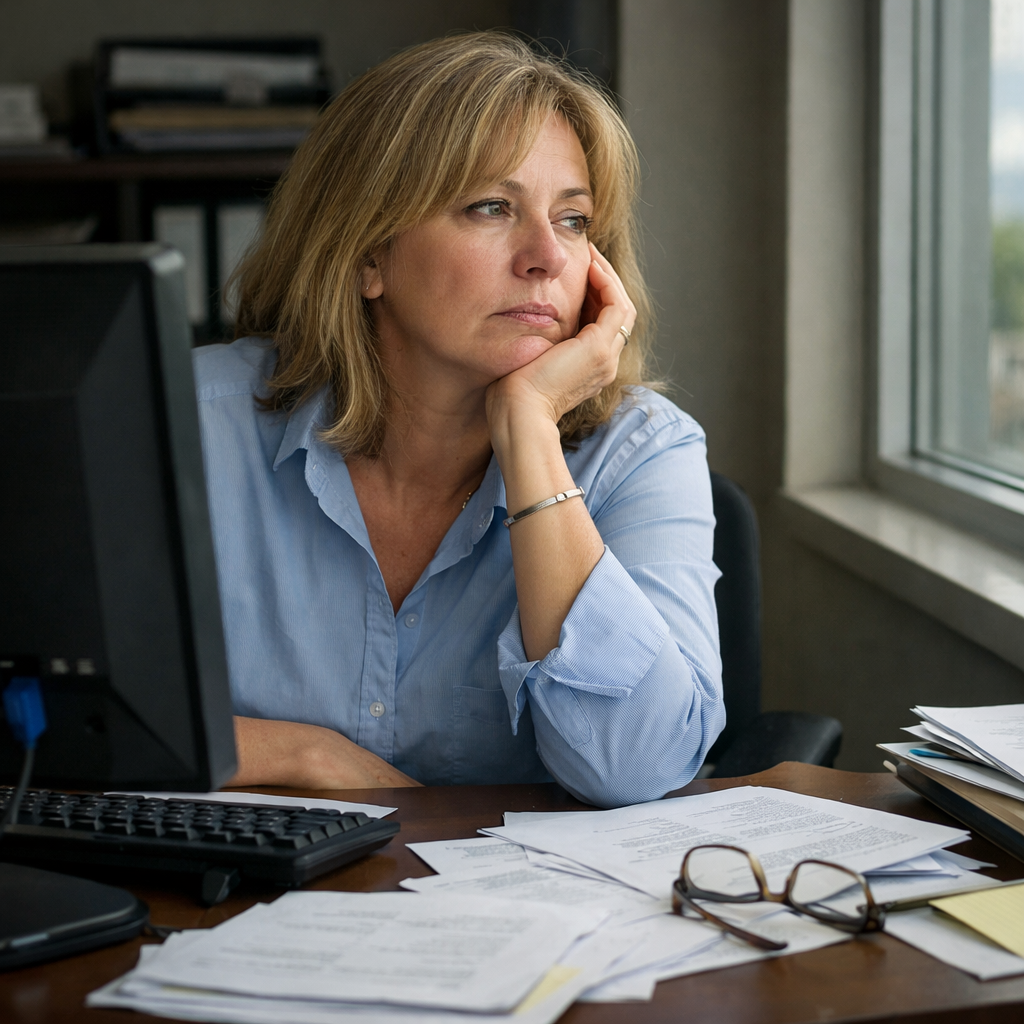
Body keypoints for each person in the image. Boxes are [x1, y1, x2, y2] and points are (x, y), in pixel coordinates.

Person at [193, 32, 724, 809]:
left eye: (574, 221)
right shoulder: (188, 427)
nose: (546, 255)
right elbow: (53, 722)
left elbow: (635, 769)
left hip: (538, 919)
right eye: (491, 208)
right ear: (369, 252)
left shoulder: (644, 452)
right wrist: (307, 753)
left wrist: (528, 426)